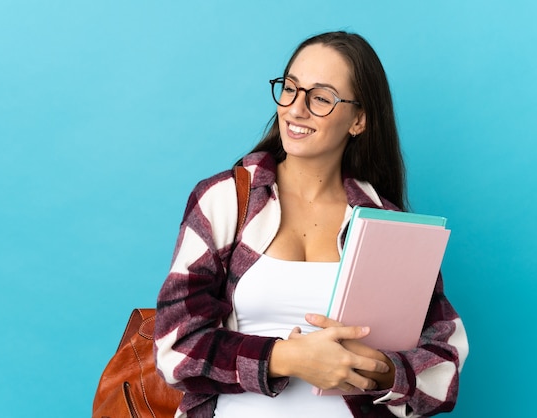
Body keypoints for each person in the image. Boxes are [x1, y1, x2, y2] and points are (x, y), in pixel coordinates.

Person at [154, 31, 468, 418]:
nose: (296, 109)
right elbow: (175, 348)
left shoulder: (389, 226)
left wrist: (381, 370)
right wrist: (285, 357)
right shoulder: (224, 201)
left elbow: (445, 366)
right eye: (290, 89)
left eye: (321, 97)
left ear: (359, 119)